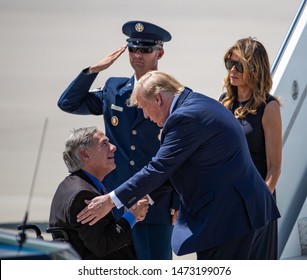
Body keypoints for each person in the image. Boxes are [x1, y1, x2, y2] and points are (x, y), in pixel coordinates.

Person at [76, 70, 281, 260]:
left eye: (144, 108)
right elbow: (173, 169)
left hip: (230, 218)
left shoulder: (185, 118)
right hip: (241, 212)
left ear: (157, 99)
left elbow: (158, 168)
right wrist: (144, 198)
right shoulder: (195, 103)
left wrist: (110, 201)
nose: (145, 116)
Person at [57, 20, 179, 260]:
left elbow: (179, 153)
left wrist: (176, 199)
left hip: (155, 202)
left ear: (160, 52)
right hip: (113, 203)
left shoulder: (172, 97)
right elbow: (67, 103)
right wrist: (93, 70)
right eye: (133, 49)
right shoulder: (114, 89)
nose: (137, 55)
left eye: (145, 49)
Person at [219, 37, 282, 259]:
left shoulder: (269, 107)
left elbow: (274, 167)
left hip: (256, 202)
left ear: (254, 69)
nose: (232, 70)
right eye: (229, 63)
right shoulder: (224, 102)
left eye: (239, 65)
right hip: (227, 200)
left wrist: (259, 202)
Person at [49, 126, 149, 259]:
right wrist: (132, 215)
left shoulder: (69, 185)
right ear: (85, 155)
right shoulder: (82, 195)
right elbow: (103, 246)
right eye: (104, 143)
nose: (113, 147)